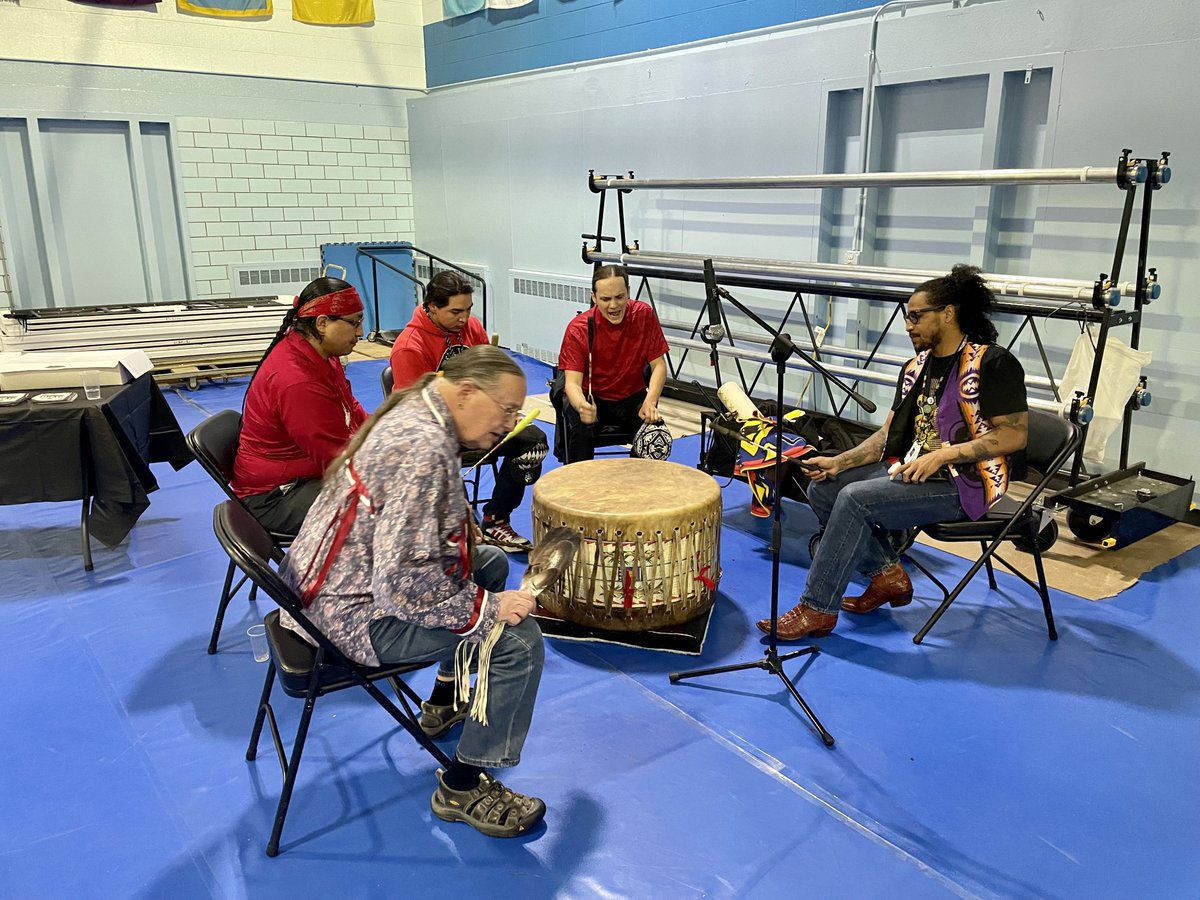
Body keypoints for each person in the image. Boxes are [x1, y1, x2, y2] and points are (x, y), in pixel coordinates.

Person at [280, 344, 547, 839]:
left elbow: (414, 534)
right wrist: (489, 609)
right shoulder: (422, 446)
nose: (511, 423)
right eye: (508, 410)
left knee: (486, 561)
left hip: (325, 590)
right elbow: (401, 585)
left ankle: (443, 701)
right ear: (466, 392)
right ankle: (461, 786)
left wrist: (463, 536)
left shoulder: (421, 403)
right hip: (347, 619)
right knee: (518, 642)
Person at [762, 264, 1029, 640]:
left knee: (855, 499)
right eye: (907, 317)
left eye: (916, 316)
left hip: (969, 483)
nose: (908, 325)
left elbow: (1014, 436)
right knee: (825, 488)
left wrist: (943, 455)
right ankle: (887, 574)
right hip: (915, 471)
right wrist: (838, 462)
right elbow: (886, 436)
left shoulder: (992, 363)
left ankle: (817, 609)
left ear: (948, 314)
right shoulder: (915, 367)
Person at [389, 270, 547, 553]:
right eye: (455, 311)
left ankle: (496, 518)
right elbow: (414, 410)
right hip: (437, 430)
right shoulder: (409, 347)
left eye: (469, 309)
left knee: (533, 442)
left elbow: (494, 379)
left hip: (480, 420)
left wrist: (505, 414)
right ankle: (457, 526)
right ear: (432, 308)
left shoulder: (471, 328)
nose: (464, 318)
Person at [230, 276, 368, 536]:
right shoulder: (297, 380)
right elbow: (335, 457)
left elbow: (351, 409)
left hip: (304, 475)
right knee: (390, 507)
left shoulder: (321, 355)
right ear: (323, 323)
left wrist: (387, 431)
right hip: (275, 497)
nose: (361, 332)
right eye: (355, 322)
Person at [555, 265, 671, 463]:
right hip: (591, 397)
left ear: (628, 292)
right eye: (605, 299)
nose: (613, 306)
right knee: (580, 434)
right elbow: (572, 383)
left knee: (657, 440)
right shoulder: (579, 328)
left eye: (620, 297)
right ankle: (581, 489)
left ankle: (636, 483)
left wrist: (650, 401)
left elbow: (658, 365)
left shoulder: (643, 314)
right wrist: (582, 405)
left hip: (629, 398)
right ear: (594, 297)